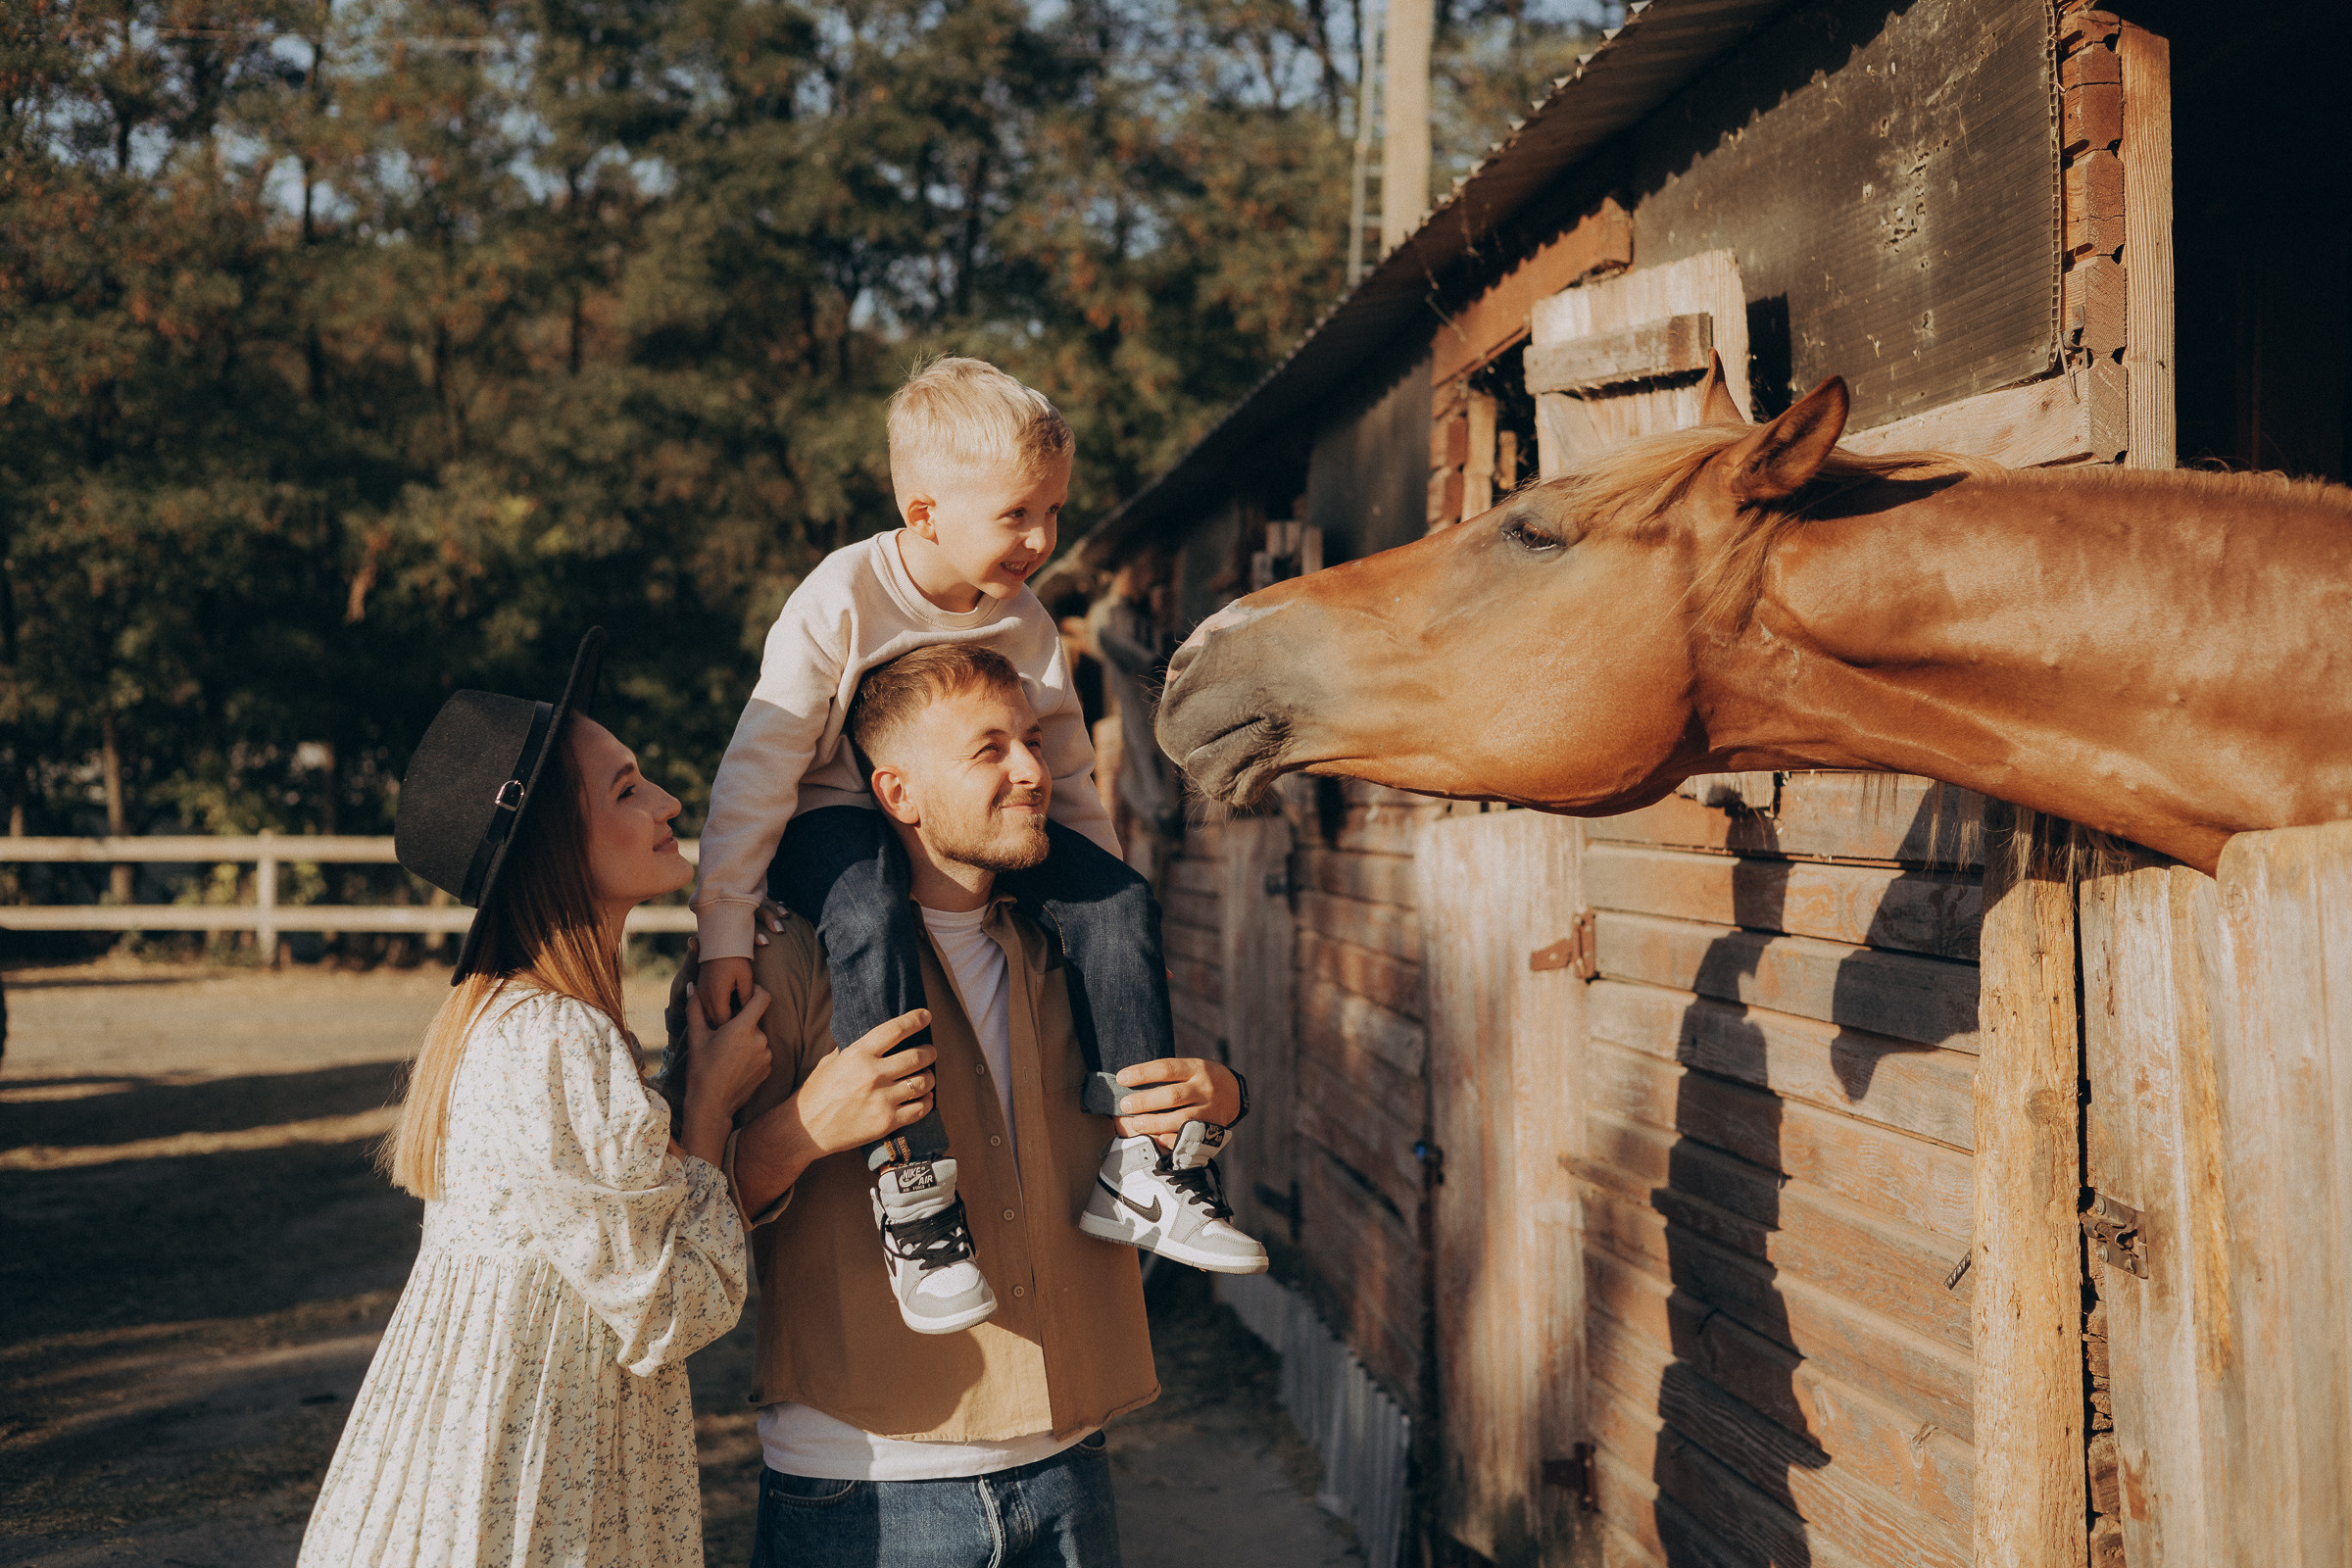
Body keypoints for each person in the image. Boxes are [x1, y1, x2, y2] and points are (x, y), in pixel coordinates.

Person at [300, 630, 942, 1568]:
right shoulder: (555, 1041)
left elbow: (624, 1237)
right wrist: (780, 1120)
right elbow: (674, 1305)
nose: (670, 802)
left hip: (500, 1447)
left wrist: (697, 1080)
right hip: (522, 1477)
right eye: (627, 789)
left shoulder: (523, 1017)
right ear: (556, 839)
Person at [689, 356, 1264, 1336]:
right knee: (870, 910)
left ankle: (1143, 1164)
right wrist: (725, 933)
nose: (1044, 539)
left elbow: (1072, 774)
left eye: (1054, 512)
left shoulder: (1027, 619)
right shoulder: (839, 597)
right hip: (832, 810)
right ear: (924, 514)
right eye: (1018, 515)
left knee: (1122, 900)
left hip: (971, 817)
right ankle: (914, 1189)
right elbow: (758, 769)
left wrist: (1102, 914)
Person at [668, 643, 1256, 1568]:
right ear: (897, 794)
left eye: (1032, 741)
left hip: (1071, 1464)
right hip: (865, 1486)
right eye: (989, 751)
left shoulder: (1085, 955)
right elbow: (680, 1218)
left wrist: (1223, 1097)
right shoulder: (782, 961)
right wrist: (801, 1130)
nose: (1034, 772)